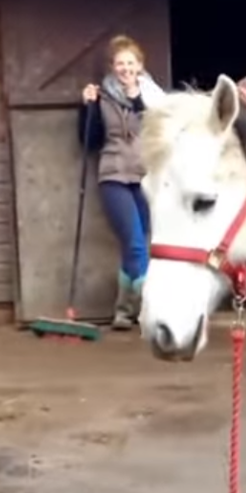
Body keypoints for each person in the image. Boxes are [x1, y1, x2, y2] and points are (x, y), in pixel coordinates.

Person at [79, 35, 166, 330]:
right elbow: (88, 141)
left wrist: (137, 97)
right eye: (120, 64)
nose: (125, 69)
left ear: (140, 66)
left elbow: (163, 133)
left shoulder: (155, 99)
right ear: (113, 67)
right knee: (135, 244)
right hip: (114, 175)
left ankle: (123, 313)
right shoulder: (102, 97)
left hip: (146, 176)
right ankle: (150, 308)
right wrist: (87, 108)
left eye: (130, 63)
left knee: (140, 244)